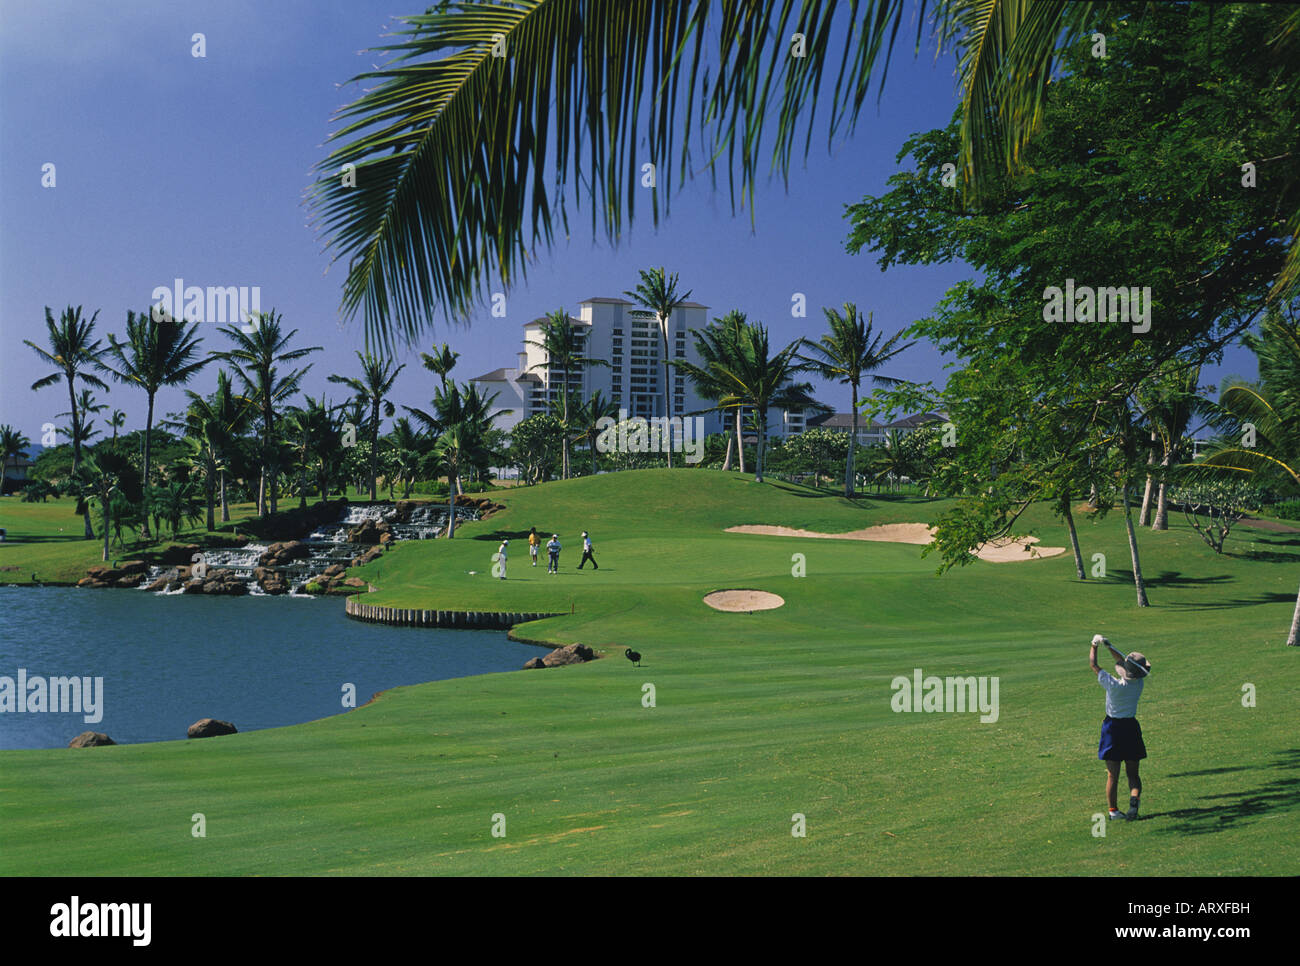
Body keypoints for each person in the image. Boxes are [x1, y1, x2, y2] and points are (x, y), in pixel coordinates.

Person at [1089, 634, 1152, 821]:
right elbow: (1123, 663)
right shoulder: (1139, 683)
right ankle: (1134, 799)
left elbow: (1093, 664)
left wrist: (1095, 645)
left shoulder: (1113, 685)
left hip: (1112, 729)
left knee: (1112, 775)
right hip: (1131, 727)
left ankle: (1113, 811)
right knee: (1133, 774)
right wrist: (1110, 647)